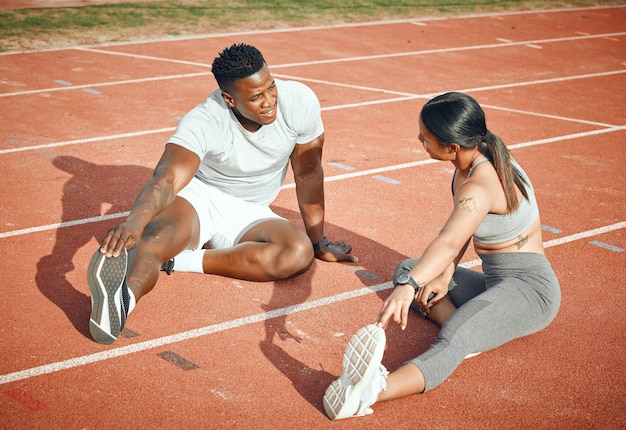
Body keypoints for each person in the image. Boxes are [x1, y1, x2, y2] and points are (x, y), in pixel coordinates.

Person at [86, 43, 356, 345]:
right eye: (256, 97)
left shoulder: (299, 102)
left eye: (271, 88)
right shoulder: (204, 119)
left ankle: (178, 261)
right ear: (229, 99)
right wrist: (135, 222)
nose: (269, 102)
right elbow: (168, 178)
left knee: (297, 253)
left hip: (251, 208)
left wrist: (319, 241)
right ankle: (123, 301)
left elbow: (308, 172)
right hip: (200, 198)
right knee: (153, 242)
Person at [323, 92, 561, 419]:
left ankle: (372, 391)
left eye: (426, 138)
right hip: (496, 281)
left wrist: (410, 288)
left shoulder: (481, 183)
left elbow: (448, 242)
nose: (420, 140)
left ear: (452, 147)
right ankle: (471, 330)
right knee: (409, 268)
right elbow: (461, 233)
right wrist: (444, 276)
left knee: (446, 330)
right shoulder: (473, 155)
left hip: (530, 293)